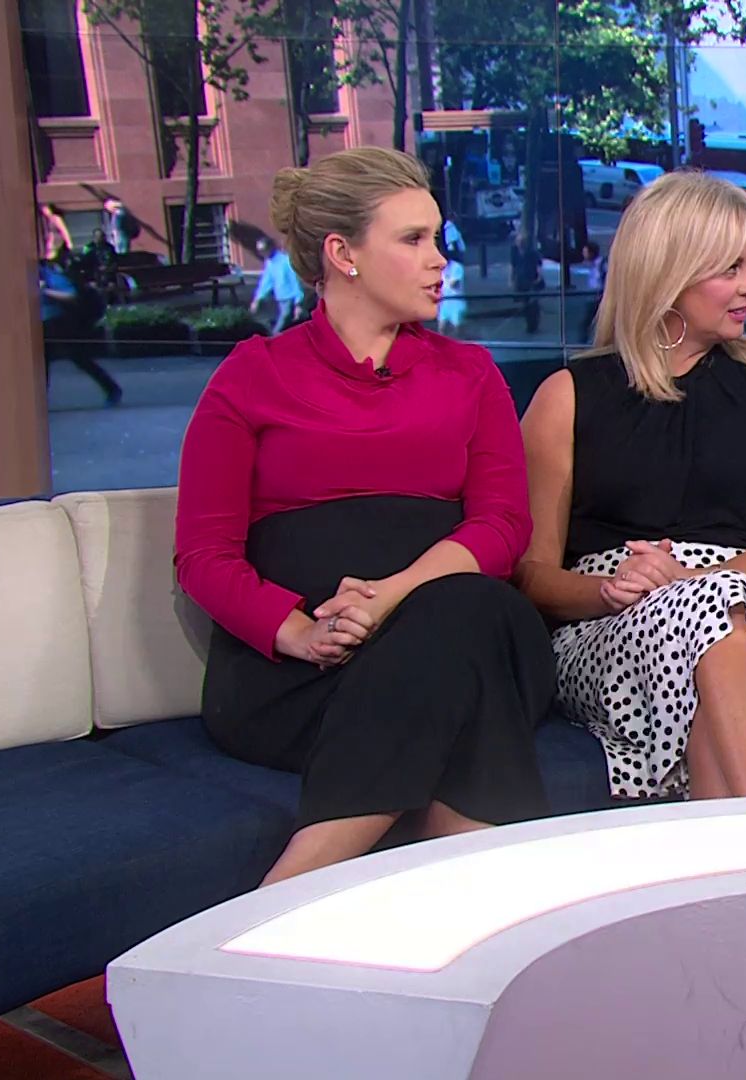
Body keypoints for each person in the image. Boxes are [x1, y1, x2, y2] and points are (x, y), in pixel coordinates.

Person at [173, 146, 554, 886]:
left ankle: (288, 894)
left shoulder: (470, 374)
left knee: (470, 612)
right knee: (464, 678)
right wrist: (300, 632)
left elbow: (503, 526)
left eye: (436, 237)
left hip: (452, 629)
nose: (440, 259)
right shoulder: (252, 375)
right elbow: (203, 555)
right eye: (413, 240)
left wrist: (388, 597)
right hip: (297, 674)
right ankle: (488, 915)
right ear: (342, 254)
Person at [517, 170, 746, 801]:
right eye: (729, 269)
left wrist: (694, 585)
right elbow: (532, 574)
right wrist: (614, 591)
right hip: (612, 629)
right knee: (716, 631)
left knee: (724, 627)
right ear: (668, 272)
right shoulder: (566, 397)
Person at [39, 257, 122, 405]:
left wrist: (44, 292)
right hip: (42, 324)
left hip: (57, 323)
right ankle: (39, 401)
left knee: (78, 358)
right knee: (41, 362)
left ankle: (112, 389)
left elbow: (70, 294)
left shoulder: (48, 275)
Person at [251, 238, 304, 334]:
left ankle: (273, 337)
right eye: (260, 251)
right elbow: (266, 282)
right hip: (280, 298)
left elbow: (295, 282)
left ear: (270, 247)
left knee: (283, 321)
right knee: (288, 325)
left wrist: (298, 303)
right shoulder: (270, 263)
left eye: (263, 250)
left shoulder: (285, 261)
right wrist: (258, 299)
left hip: (290, 298)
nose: (262, 253)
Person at [437, 255, 468, 336]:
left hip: (456, 301)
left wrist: (444, 279)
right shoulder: (439, 267)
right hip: (444, 301)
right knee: (441, 327)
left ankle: (458, 341)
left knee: (456, 328)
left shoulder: (457, 267)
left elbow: (453, 284)